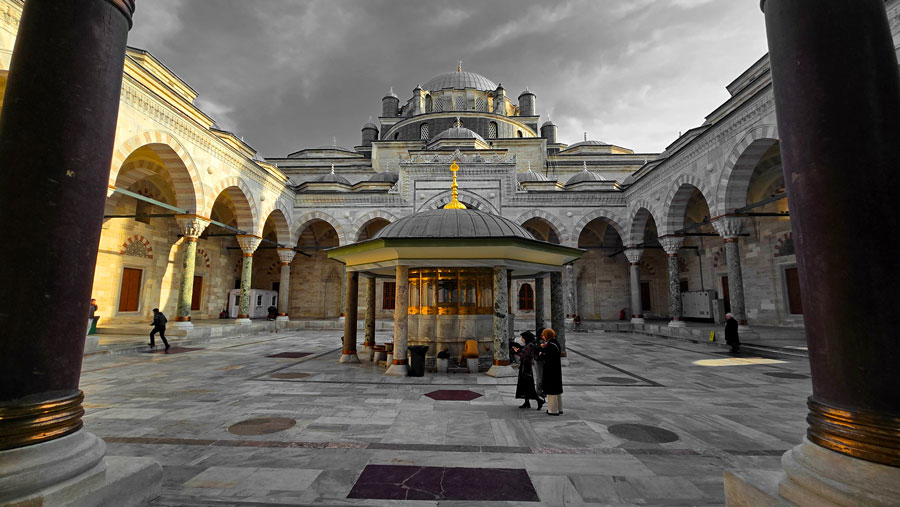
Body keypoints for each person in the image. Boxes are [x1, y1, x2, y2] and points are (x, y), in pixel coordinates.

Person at [512, 331, 544, 410]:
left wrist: (517, 351)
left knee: (529, 386)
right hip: (524, 365)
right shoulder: (528, 345)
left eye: (522, 338)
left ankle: (539, 400)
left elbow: (525, 355)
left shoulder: (530, 346)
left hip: (526, 367)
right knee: (524, 385)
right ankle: (527, 402)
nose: (522, 339)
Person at [539, 328, 563, 415]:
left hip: (551, 371)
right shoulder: (555, 343)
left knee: (551, 391)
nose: (543, 337)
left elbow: (547, 357)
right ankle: (559, 408)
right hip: (556, 371)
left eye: (543, 335)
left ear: (547, 336)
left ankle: (553, 410)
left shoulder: (551, 345)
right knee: (557, 392)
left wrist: (542, 353)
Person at [533, 327, 545, 400]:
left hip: (544, 360)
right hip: (538, 361)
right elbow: (534, 350)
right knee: (539, 378)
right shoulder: (536, 341)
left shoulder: (546, 341)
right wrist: (540, 346)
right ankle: (538, 392)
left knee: (544, 378)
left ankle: (543, 392)